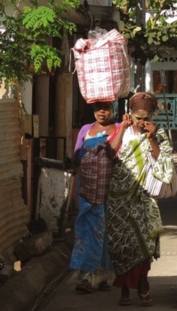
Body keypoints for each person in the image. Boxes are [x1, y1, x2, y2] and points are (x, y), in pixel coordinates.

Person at [104, 92, 175, 307]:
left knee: (144, 243)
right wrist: (123, 129)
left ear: (152, 116)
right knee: (121, 244)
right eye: (138, 117)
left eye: (146, 117)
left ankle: (143, 284)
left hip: (143, 197)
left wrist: (152, 138)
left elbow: (163, 161)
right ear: (130, 114)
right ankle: (125, 289)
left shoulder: (158, 134)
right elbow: (109, 153)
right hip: (119, 199)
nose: (142, 121)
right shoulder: (121, 131)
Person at [69, 101, 118, 293]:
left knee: (106, 234)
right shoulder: (85, 130)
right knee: (89, 231)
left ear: (113, 109)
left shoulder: (119, 129)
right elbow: (76, 156)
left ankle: (103, 274)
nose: (102, 112)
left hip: (110, 193)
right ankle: (88, 275)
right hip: (87, 191)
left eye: (106, 108)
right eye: (98, 109)